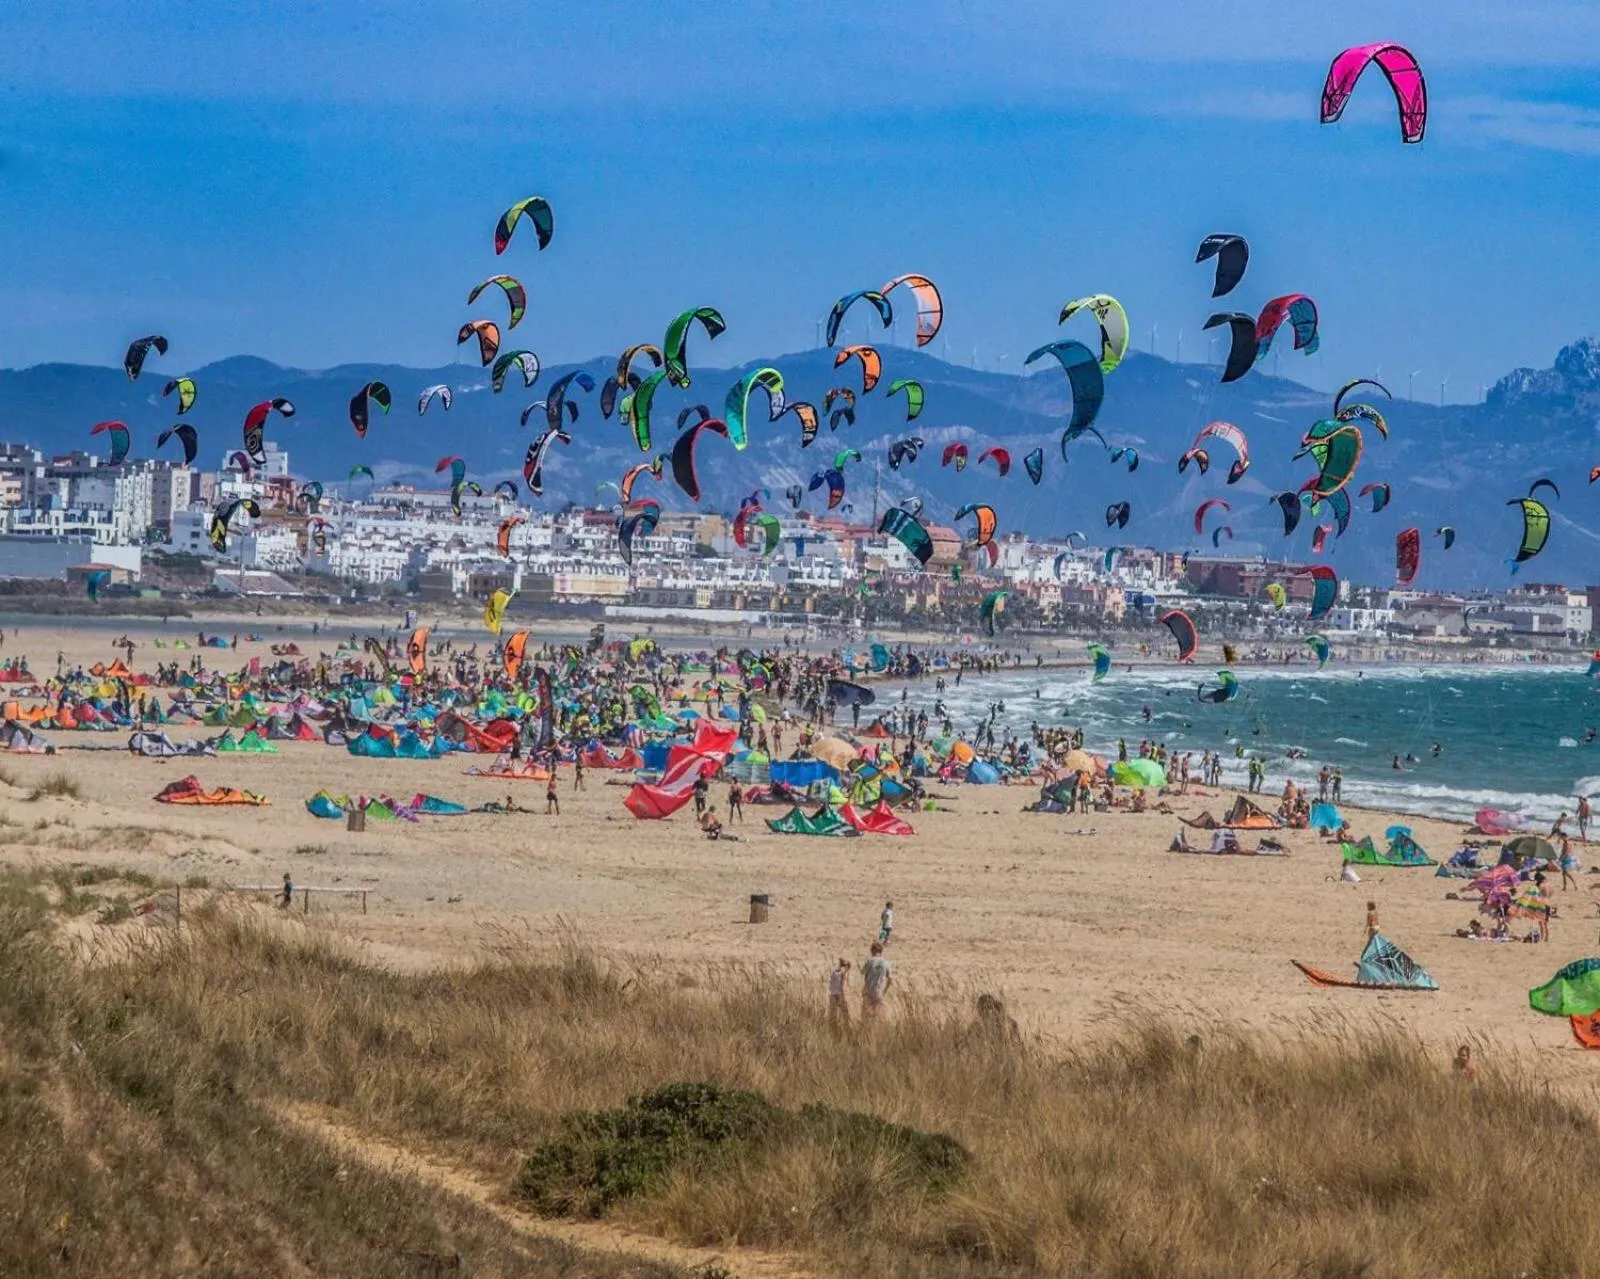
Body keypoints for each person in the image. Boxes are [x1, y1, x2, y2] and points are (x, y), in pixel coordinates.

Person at [861, 942, 892, 1018]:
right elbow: (890, 979)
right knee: (878, 1014)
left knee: (866, 1014)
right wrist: (884, 990)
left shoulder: (870, 961)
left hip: (868, 991)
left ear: (872, 950)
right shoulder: (886, 962)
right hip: (879, 991)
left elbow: (863, 972)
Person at [827, 958, 851, 1023]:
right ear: (846, 967)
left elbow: (831, 984)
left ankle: (833, 1026)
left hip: (832, 994)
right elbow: (843, 986)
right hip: (839, 994)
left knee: (833, 1013)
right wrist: (844, 997)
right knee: (843, 1014)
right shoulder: (844, 973)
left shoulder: (834, 972)